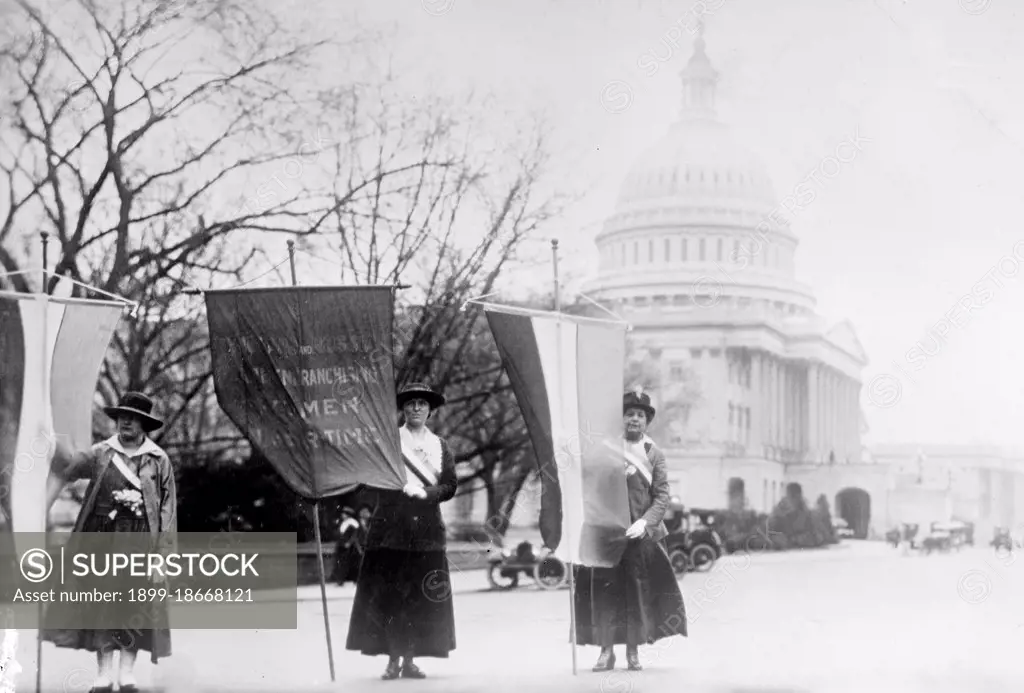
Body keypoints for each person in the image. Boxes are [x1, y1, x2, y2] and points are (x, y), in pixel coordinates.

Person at [43, 392, 175, 693]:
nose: (125, 422)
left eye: (132, 418)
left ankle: (127, 674)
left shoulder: (158, 460)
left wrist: (162, 557)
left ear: (143, 424)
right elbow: (69, 466)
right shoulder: (101, 453)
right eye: (121, 417)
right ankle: (103, 676)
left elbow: (167, 511)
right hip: (101, 541)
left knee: (134, 606)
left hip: (141, 541)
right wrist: (47, 437)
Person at [346, 382, 458, 680]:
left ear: (430, 410)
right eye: (410, 404)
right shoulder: (389, 443)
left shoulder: (441, 446)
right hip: (391, 533)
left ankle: (409, 660)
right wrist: (399, 487)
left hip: (427, 535)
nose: (416, 408)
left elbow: (450, 485)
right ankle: (393, 660)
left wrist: (429, 493)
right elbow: (370, 480)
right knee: (392, 599)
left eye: (422, 404)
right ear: (403, 409)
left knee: (419, 601)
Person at [573, 388, 687, 672]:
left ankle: (633, 652)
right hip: (607, 535)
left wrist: (645, 522)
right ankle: (605, 651)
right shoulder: (604, 449)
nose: (634, 419)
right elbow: (590, 486)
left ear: (647, 421)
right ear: (621, 419)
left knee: (637, 593)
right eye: (629, 414)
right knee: (605, 592)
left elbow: (661, 495)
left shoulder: (653, 453)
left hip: (639, 537)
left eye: (640, 415)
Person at [332, 506, 362, 585]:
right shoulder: (343, 523)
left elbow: (354, 535)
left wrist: (348, 542)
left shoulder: (352, 523)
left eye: (344, 514)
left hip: (350, 547)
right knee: (341, 564)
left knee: (351, 564)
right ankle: (340, 580)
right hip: (342, 546)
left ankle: (354, 580)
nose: (342, 515)